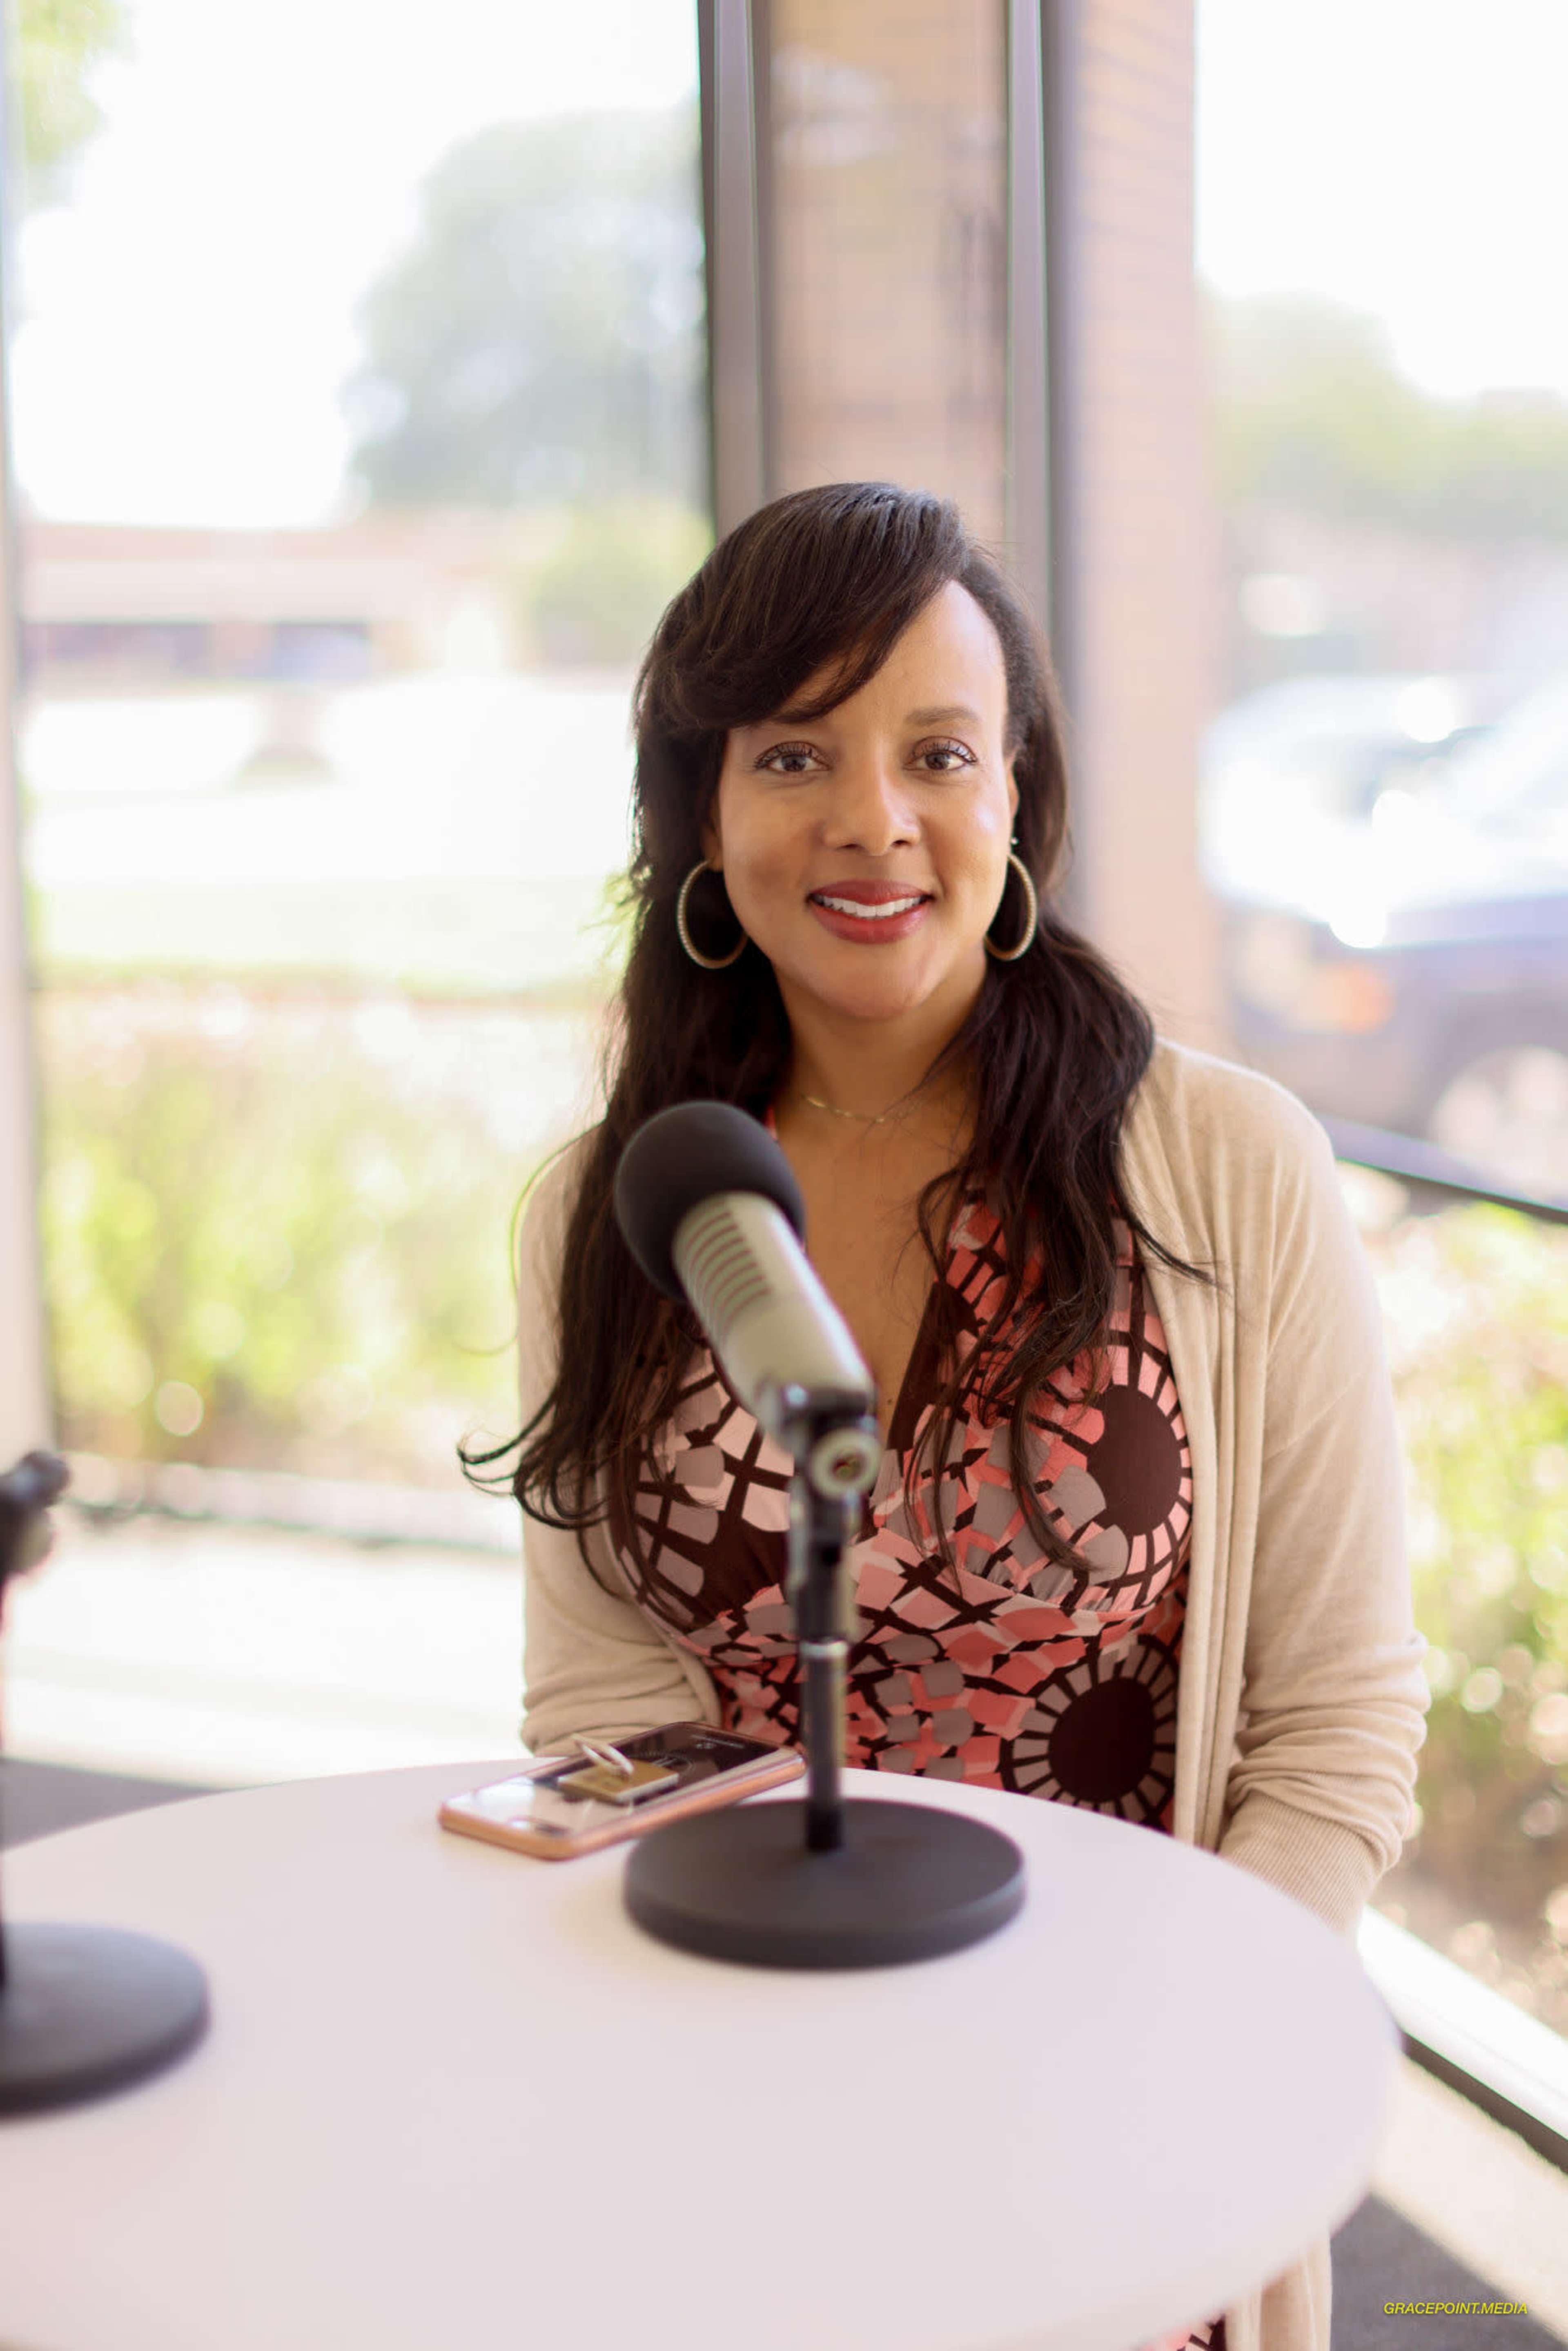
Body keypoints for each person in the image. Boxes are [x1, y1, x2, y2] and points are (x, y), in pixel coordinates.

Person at [486, 482, 1428, 2351]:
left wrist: (1180, 2050)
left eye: (936, 751)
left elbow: (1335, 1726)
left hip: (1129, 2141)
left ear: (1018, 800)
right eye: (794, 753)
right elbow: (601, 1710)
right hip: (743, 2130)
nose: (871, 820)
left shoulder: (1224, 1168)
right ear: (704, 812)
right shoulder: (624, 1206)